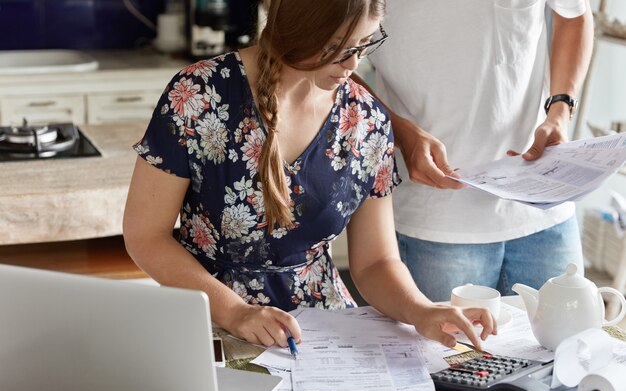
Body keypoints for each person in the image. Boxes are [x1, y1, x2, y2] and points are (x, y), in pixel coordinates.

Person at [123, 0, 496, 351]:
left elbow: (375, 262)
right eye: (337, 47)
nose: (352, 65)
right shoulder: (198, 94)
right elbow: (146, 236)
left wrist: (421, 311)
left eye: (364, 44)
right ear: (299, 27)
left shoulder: (366, 121)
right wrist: (235, 312)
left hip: (321, 328)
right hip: (206, 318)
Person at [362, 0, 594, 302]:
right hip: (437, 219)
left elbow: (575, 15)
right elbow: (325, 57)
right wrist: (401, 132)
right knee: (451, 349)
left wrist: (560, 110)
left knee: (570, 347)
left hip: (544, 209)